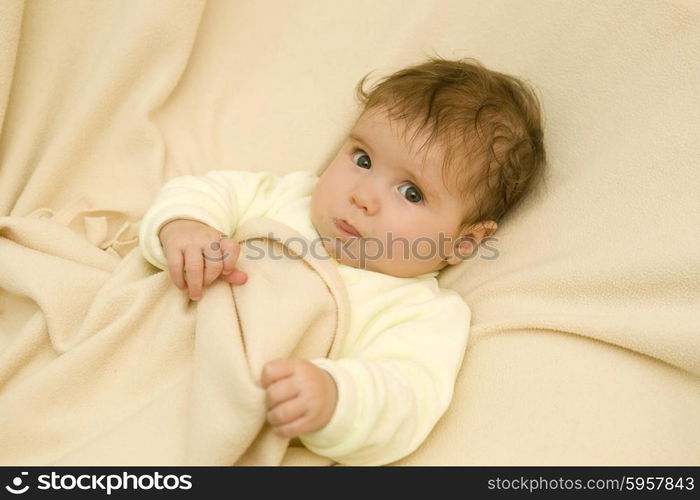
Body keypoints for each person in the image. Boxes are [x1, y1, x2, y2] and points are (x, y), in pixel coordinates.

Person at [138, 57, 545, 465]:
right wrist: (185, 228)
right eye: (363, 159)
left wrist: (333, 397)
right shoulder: (290, 196)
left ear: (464, 242)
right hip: (150, 350)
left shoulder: (416, 311)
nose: (363, 195)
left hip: (216, 408)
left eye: (411, 193)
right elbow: (205, 191)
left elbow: (405, 396)